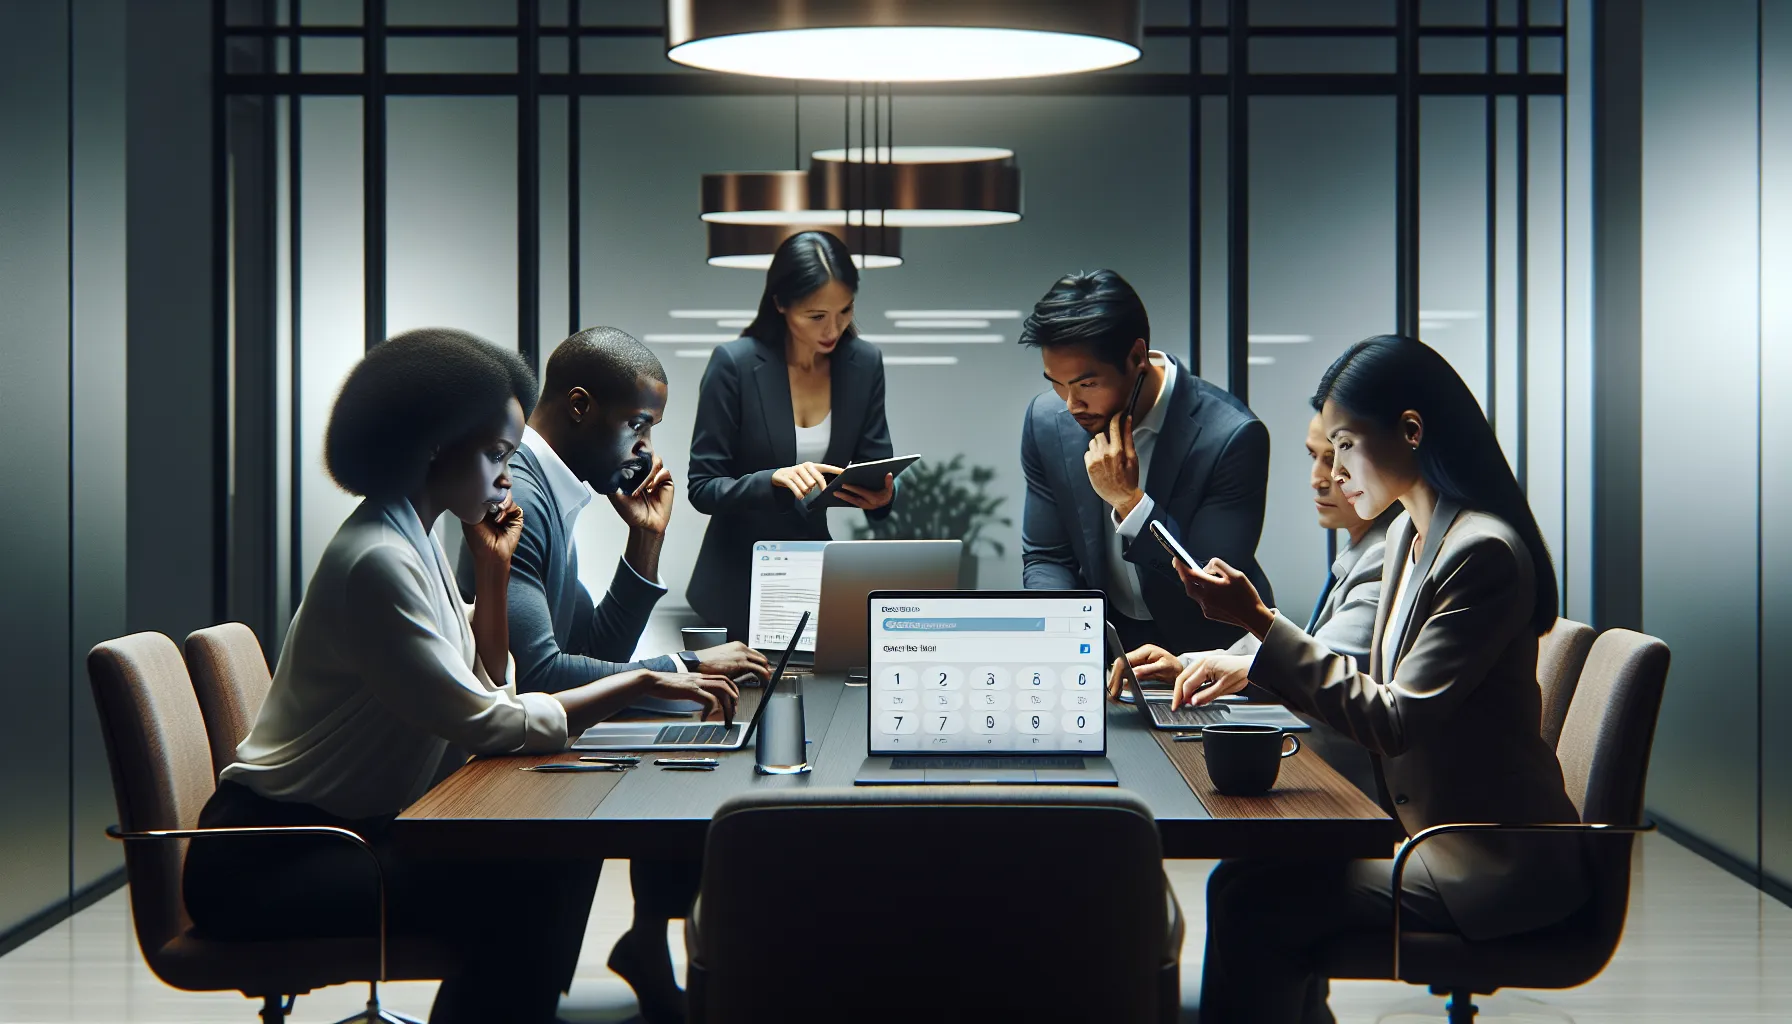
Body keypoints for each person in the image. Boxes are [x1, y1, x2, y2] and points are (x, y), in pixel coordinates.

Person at [181, 328, 739, 1024]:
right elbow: (487, 721)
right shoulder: (378, 558)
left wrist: (494, 577)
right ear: (433, 447)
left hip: (336, 836)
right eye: (497, 454)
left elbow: (489, 684)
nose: (509, 475)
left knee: (553, 858)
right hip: (275, 859)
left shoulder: (407, 536)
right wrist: (644, 682)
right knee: (533, 880)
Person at [1165, 335, 1589, 1024]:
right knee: (1245, 881)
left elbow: (1394, 720)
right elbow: (1371, 681)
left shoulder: (1482, 552)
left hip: (1488, 862)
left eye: (1344, 446)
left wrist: (1260, 622)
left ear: (1411, 431)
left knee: (1253, 901)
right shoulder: (1405, 537)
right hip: (1432, 838)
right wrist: (1247, 652)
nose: (1332, 473)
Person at [467, 325, 771, 1023]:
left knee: (686, 758)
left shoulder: (553, 493)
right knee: (683, 766)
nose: (646, 449)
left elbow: (589, 647)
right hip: (479, 777)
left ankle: (640, 953)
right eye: (638, 424)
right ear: (580, 406)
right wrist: (681, 667)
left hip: (509, 747)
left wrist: (645, 540)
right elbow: (545, 675)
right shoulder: (520, 496)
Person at [1112, 411, 1398, 797]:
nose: (1319, 478)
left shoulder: (1384, 555)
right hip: (1320, 773)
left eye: (1334, 456)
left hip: (1347, 790)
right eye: (1314, 456)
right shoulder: (1363, 549)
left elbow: (1324, 669)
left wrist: (1249, 624)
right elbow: (1311, 651)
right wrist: (1188, 666)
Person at [1017, 268, 1274, 654]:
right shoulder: (1045, 423)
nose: (1071, 405)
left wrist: (1129, 503)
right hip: (1106, 646)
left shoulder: (1231, 436)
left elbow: (1212, 587)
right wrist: (1065, 645)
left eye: (1087, 384)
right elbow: (1047, 557)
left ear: (1137, 356)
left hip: (1214, 654)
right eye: (1056, 382)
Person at [687, 230, 898, 640]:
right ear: (781, 303)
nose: (834, 328)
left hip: (814, 580)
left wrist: (883, 497)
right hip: (735, 582)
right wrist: (772, 481)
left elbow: (875, 465)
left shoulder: (864, 363)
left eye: (845, 310)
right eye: (816, 316)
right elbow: (702, 487)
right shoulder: (734, 364)